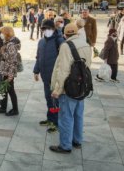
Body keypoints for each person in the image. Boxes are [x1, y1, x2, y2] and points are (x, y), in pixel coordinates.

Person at [50, 23, 91, 154]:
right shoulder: (86, 44)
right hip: (82, 85)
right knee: (78, 114)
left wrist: (57, 90)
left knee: (66, 116)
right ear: (77, 33)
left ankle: (65, 145)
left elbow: (63, 70)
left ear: (64, 35)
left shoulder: (65, 46)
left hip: (70, 87)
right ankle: (77, 140)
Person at [33, 20, 64, 132]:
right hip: (45, 76)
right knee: (48, 99)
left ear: (53, 29)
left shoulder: (59, 41)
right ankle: (50, 118)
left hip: (55, 77)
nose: (46, 31)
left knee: (55, 101)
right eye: (44, 29)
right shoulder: (41, 42)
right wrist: (36, 71)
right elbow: (38, 57)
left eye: (49, 28)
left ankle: (56, 122)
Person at [0, 26, 20, 116]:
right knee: (5, 89)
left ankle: (15, 109)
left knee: (11, 90)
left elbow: (13, 60)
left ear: (7, 33)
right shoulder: (7, 42)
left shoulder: (11, 44)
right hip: (6, 70)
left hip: (9, 71)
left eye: (2, 33)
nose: (1, 35)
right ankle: (3, 107)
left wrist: (11, 75)